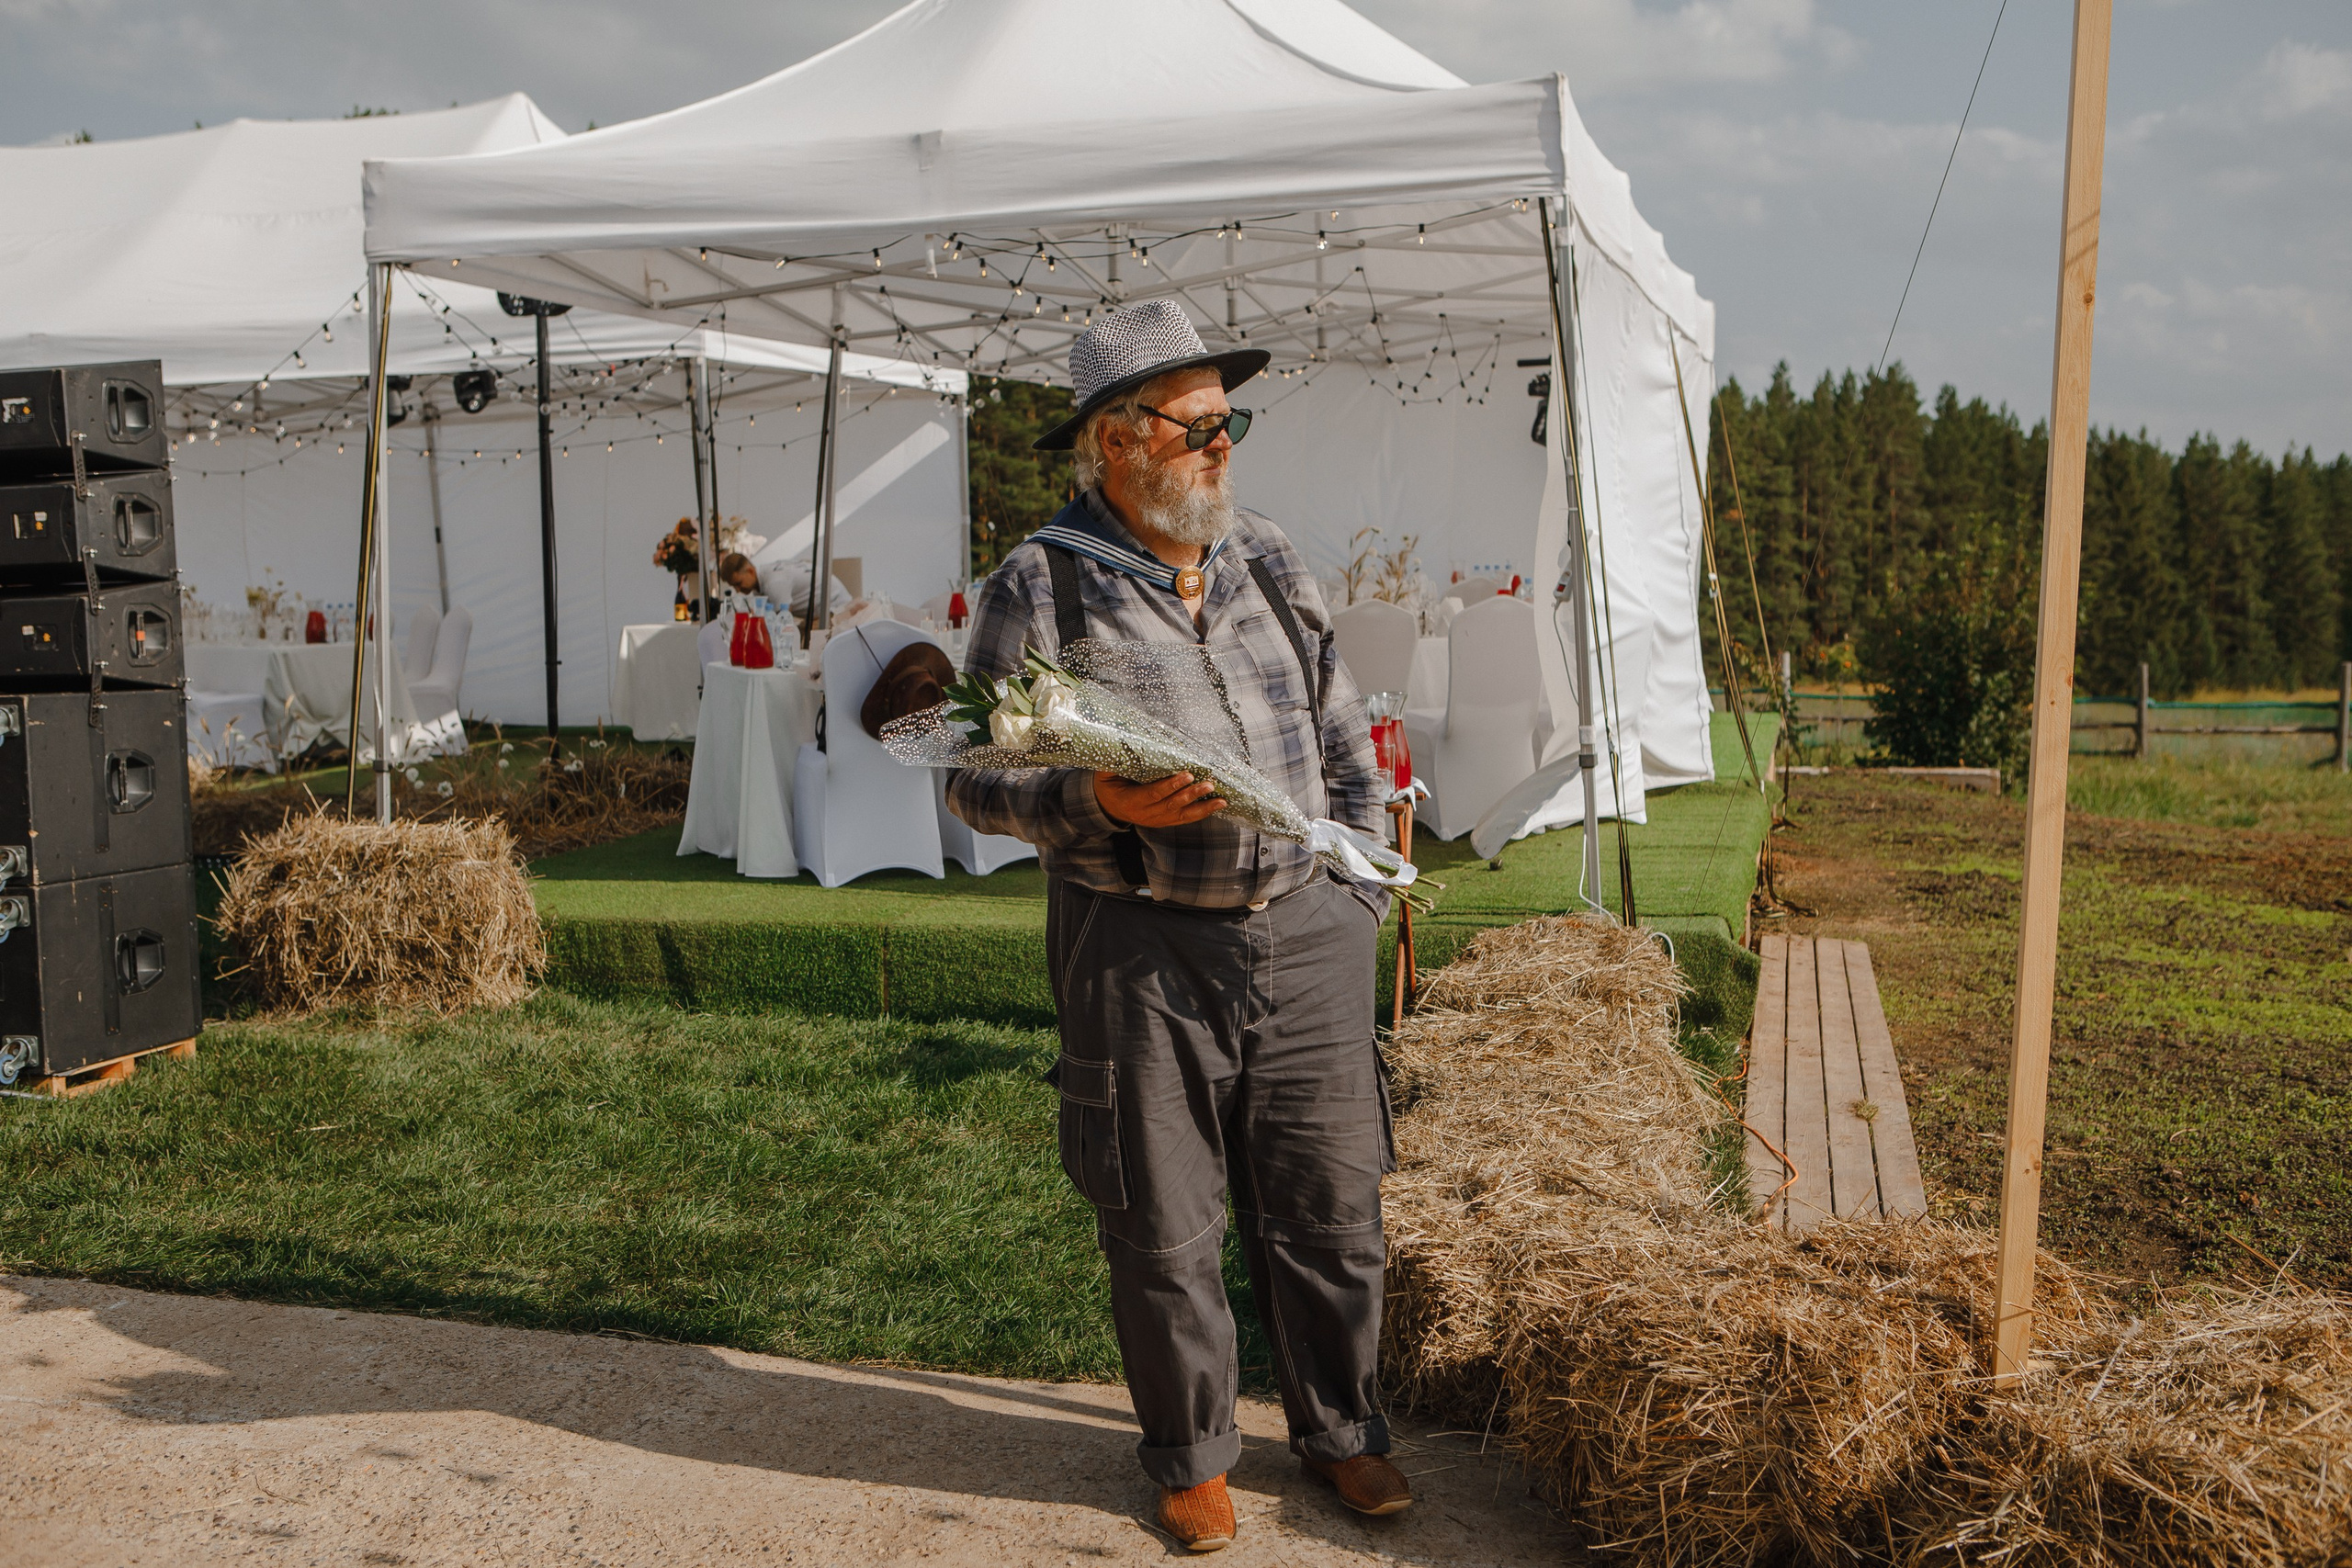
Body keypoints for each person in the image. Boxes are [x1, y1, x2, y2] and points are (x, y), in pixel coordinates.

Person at [946, 299, 1408, 1552]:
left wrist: (1357, 886)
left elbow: (1342, 726)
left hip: (1309, 928)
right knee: (1163, 1219)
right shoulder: (1039, 582)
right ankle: (1194, 1458)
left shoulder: (1267, 553)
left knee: (1333, 1202)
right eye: (1198, 426)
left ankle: (1343, 1432)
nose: (1221, 447)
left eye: (1228, 424)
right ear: (1117, 439)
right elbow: (970, 777)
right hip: (1141, 945)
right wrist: (1096, 801)